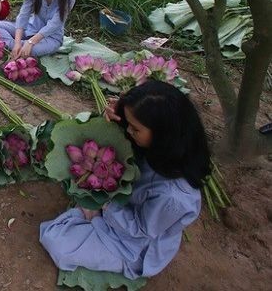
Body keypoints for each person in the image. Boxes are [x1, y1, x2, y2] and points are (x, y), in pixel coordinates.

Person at [39, 81, 211, 280]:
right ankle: (92, 217)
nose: (129, 131)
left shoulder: (173, 197)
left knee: (57, 243)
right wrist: (111, 124)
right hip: (120, 207)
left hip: (133, 243)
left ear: (164, 134)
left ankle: (93, 220)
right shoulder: (157, 146)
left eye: (135, 129)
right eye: (128, 124)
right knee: (80, 192)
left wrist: (105, 205)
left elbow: (140, 229)